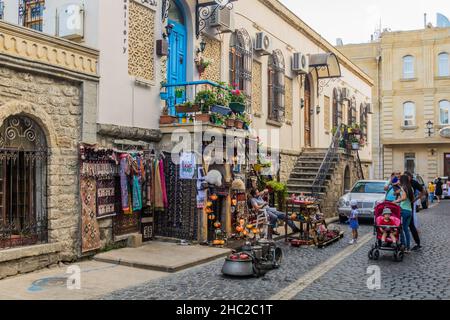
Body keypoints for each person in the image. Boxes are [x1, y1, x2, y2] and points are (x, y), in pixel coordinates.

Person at [393, 175, 414, 253]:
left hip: (403, 211)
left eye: (400, 179)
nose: (399, 180)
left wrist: (395, 201)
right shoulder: (410, 188)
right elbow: (411, 199)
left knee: (400, 229)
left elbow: (404, 197)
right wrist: (397, 185)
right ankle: (408, 248)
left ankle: (403, 245)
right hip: (409, 211)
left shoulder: (403, 188)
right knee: (406, 229)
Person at [404, 171, 423, 251]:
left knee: (411, 225)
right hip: (402, 206)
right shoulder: (403, 182)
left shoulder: (414, 183)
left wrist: (415, 199)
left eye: (406, 177)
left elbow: (423, 191)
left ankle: (417, 243)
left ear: (410, 177)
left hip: (409, 206)